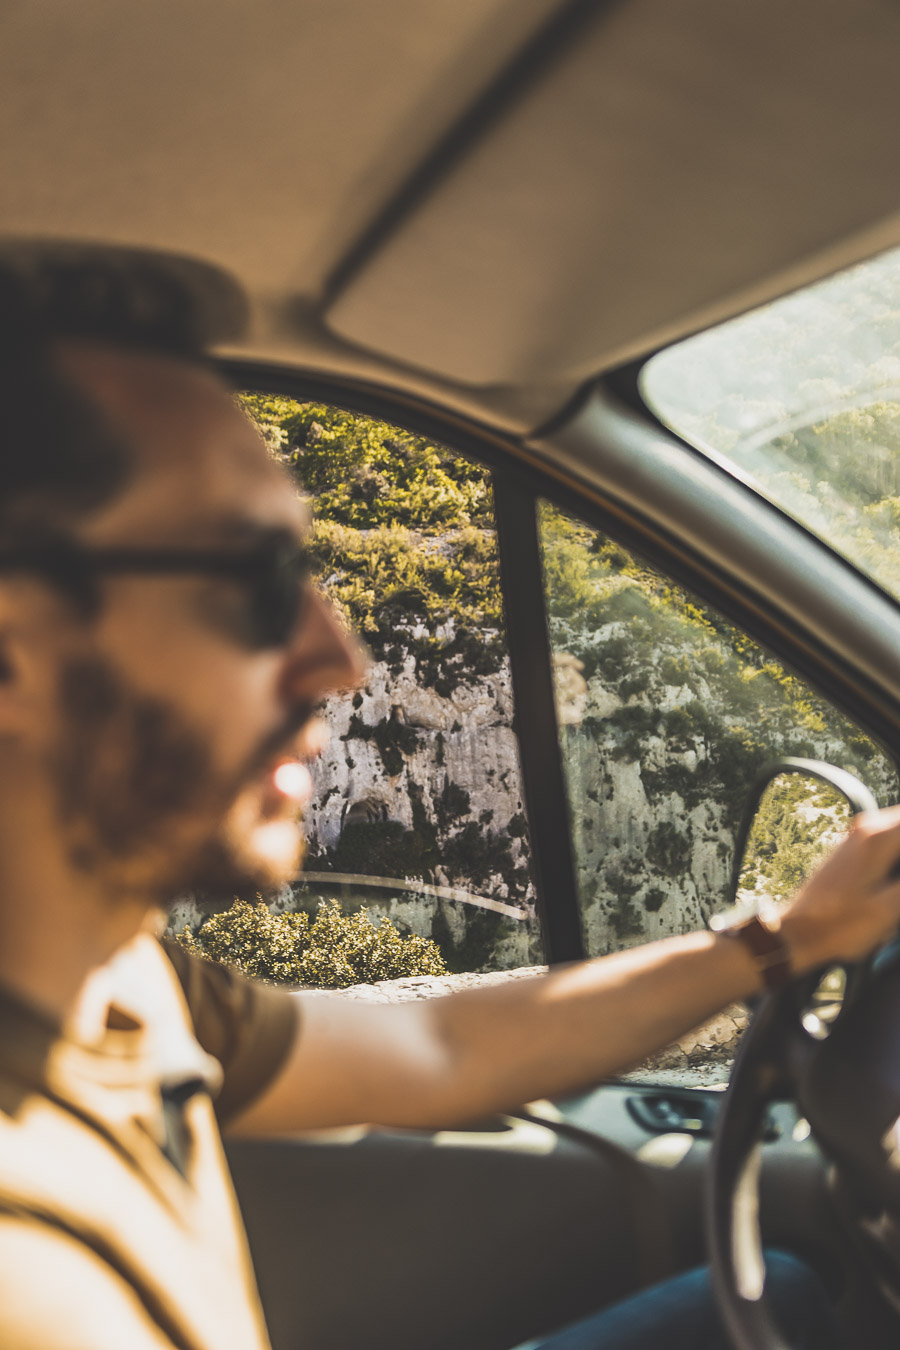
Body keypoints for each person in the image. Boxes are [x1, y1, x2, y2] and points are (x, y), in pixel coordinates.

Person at [0, 253, 894, 1350]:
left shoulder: (123, 981)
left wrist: (787, 941)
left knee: (784, 1292)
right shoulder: (29, 1280)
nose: (341, 658)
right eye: (260, 579)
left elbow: (436, 1047)